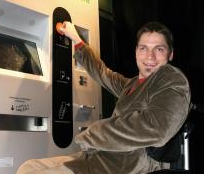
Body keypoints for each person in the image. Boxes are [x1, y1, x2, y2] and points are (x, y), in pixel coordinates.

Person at [16, 21, 191, 174]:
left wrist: (94, 132)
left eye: (159, 49)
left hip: (128, 166)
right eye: (143, 48)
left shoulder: (171, 78)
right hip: (100, 157)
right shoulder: (130, 85)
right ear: (136, 51)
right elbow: (102, 73)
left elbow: (157, 128)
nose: (150, 56)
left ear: (171, 54)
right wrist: (77, 40)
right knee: (29, 167)